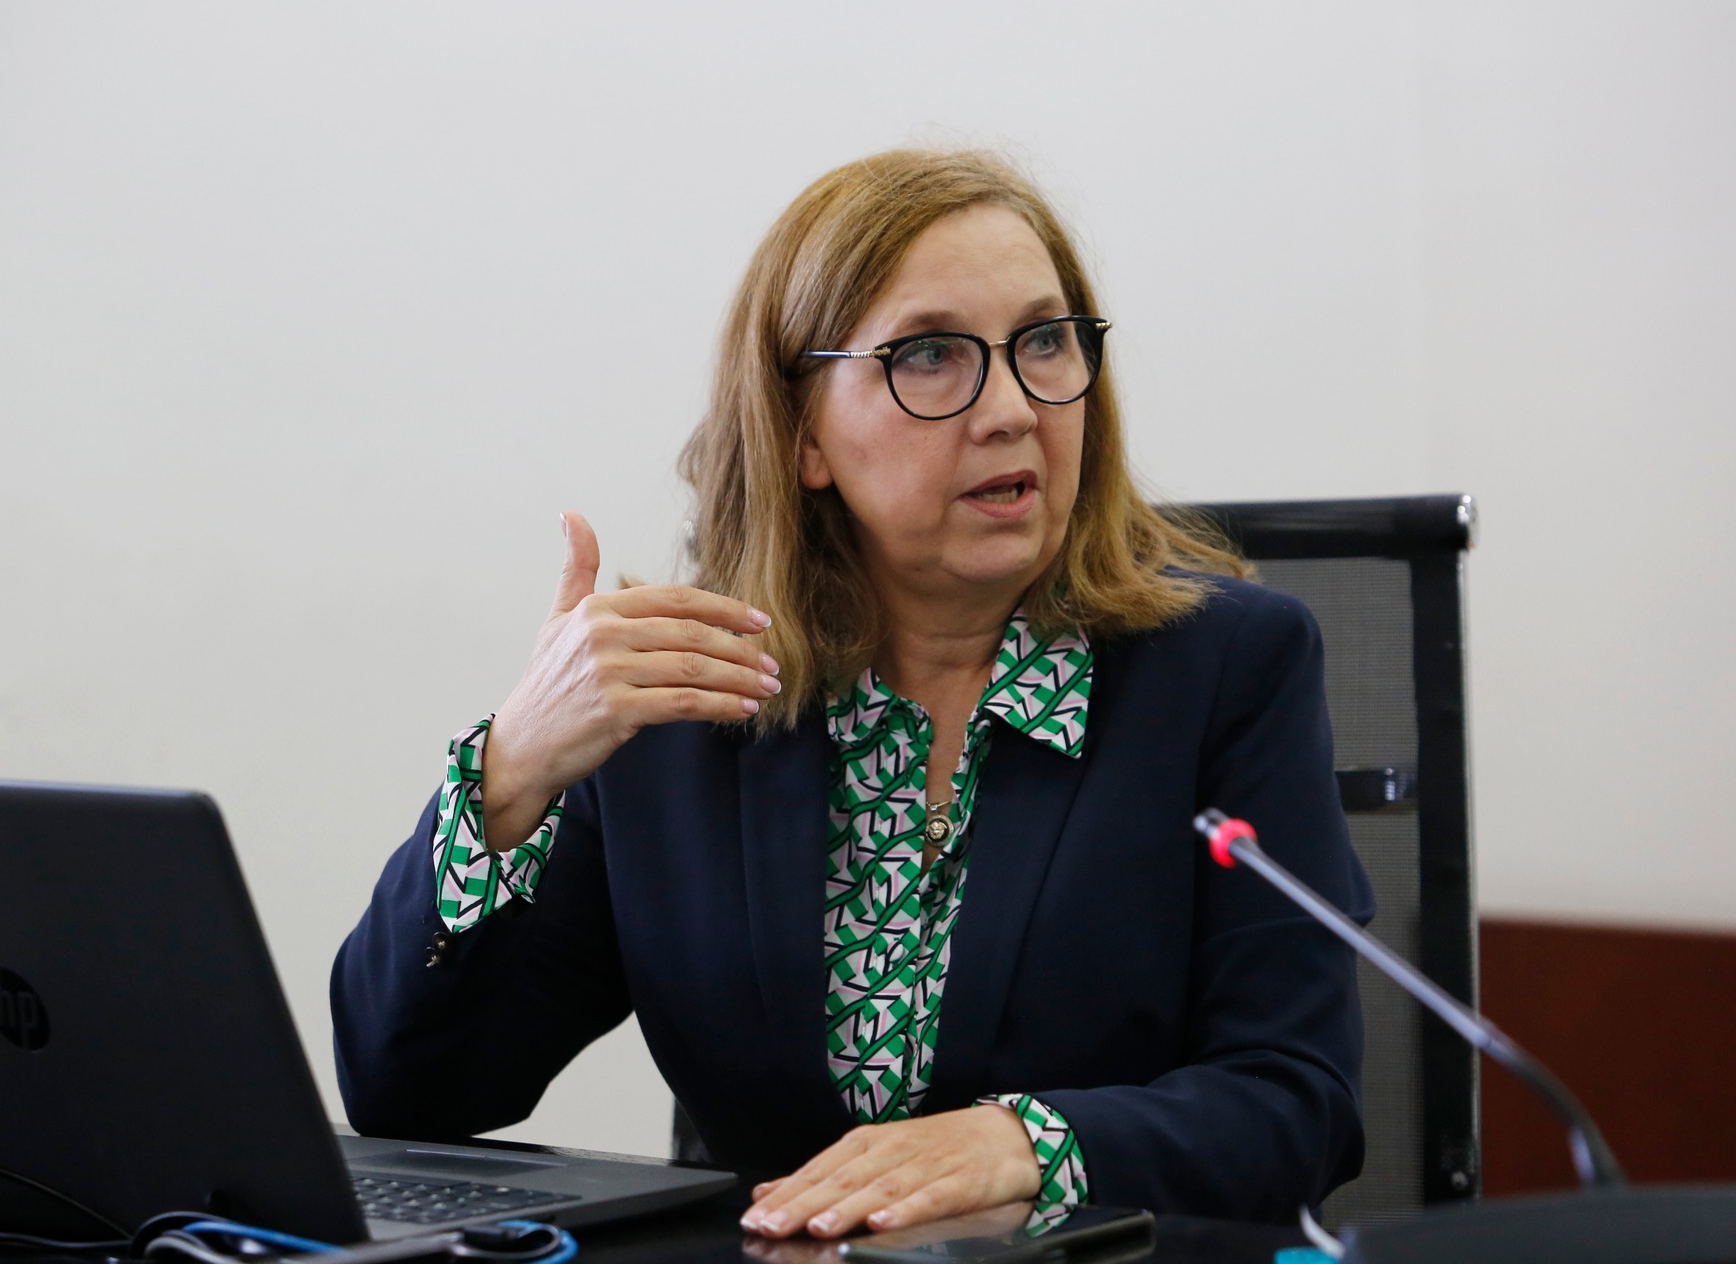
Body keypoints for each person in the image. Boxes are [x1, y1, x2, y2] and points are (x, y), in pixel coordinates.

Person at [331, 148, 1372, 1237]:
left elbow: (1297, 1103)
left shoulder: (1225, 669)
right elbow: (411, 1095)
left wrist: (1024, 1142)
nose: (1012, 408)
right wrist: (511, 771)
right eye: (930, 355)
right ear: (803, 437)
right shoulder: (686, 700)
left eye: (1043, 341)